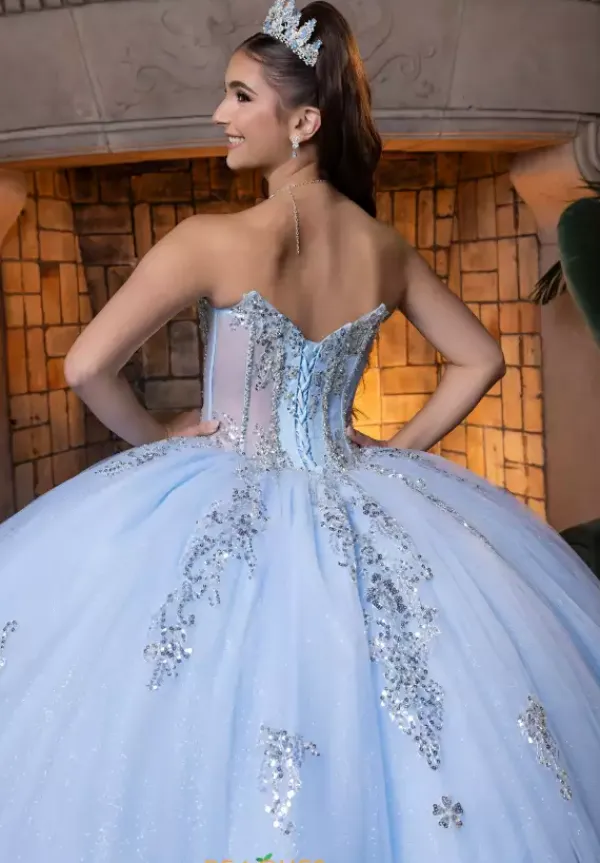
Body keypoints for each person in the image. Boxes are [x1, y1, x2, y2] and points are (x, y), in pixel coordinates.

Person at [0, 1, 599, 860]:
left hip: (223, 474)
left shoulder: (210, 240)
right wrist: (399, 456)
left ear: (304, 121)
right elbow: (481, 359)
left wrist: (163, 434)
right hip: (356, 484)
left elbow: (86, 366)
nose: (220, 113)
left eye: (240, 96)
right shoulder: (384, 247)